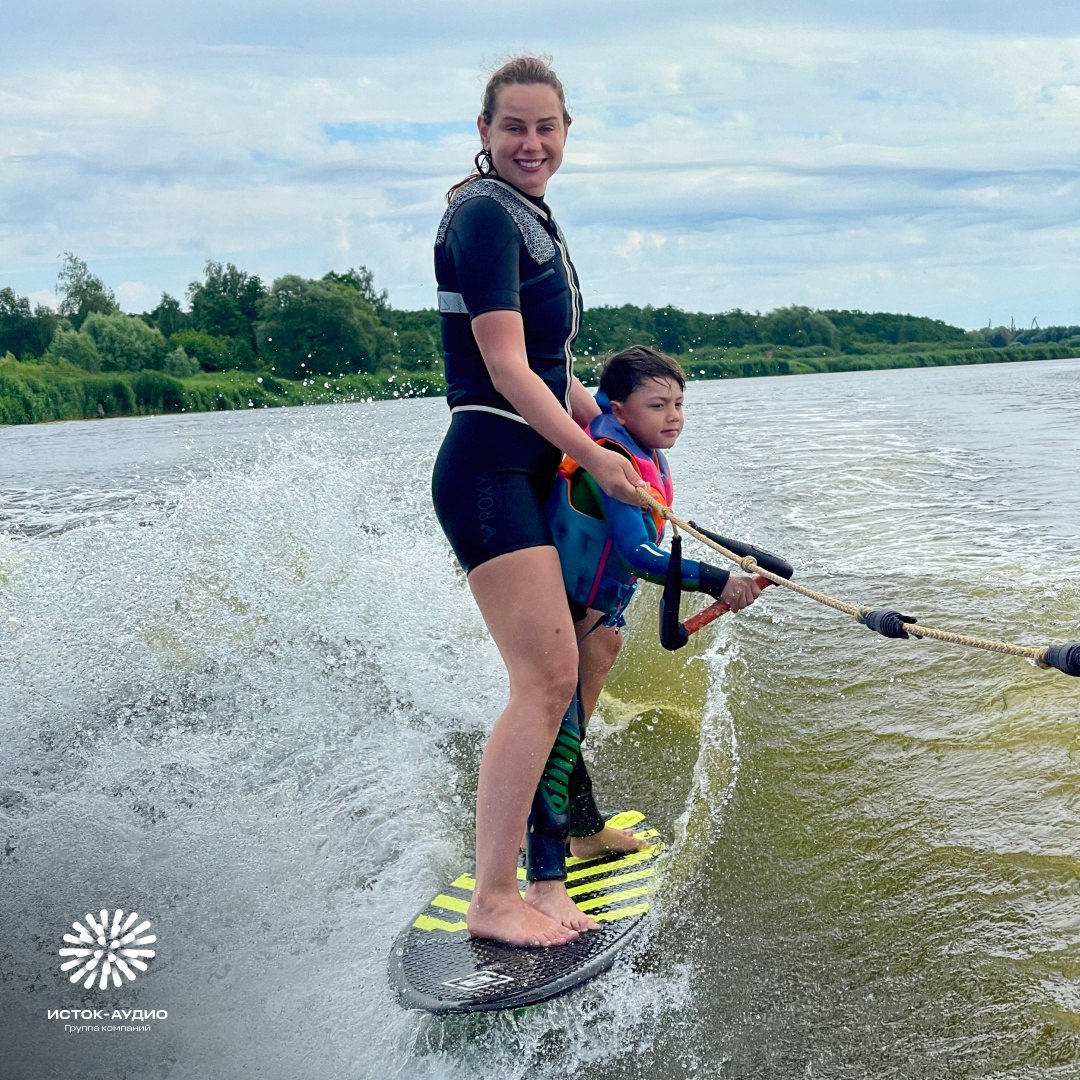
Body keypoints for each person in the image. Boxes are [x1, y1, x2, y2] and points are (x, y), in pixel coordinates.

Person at [430, 55, 647, 947]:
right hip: (488, 470)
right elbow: (509, 370)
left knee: (586, 655)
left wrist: (617, 431)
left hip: (527, 469)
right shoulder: (484, 214)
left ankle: (556, 862)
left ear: (565, 133)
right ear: (484, 132)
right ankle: (495, 898)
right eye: (513, 126)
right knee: (545, 678)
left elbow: (554, 373)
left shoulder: (532, 217)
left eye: (545, 127)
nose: (531, 142)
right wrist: (595, 457)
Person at [524, 345, 763, 900]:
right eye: (658, 405)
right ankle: (545, 864)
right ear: (619, 409)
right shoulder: (613, 457)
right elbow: (640, 556)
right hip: (567, 610)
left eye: (679, 403)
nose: (673, 416)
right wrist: (718, 582)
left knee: (569, 728)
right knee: (560, 733)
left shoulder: (634, 440)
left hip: (597, 614)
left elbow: (570, 381)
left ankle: (584, 831)